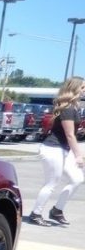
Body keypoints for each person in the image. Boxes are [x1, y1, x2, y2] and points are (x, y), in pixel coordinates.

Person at [28, 76, 85, 226]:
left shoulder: (73, 107)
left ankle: (57, 210)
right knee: (51, 183)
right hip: (52, 149)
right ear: (74, 88)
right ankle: (35, 214)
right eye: (82, 88)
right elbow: (70, 134)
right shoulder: (67, 108)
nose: (84, 91)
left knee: (77, 179)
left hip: (63, 150)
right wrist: (78, 155)